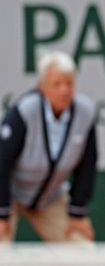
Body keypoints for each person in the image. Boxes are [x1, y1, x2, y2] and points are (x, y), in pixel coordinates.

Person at [0, 51, 98, 242]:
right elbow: (1, 163)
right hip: (7, 196)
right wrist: (2, 214)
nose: (64, 90)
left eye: (69, 84)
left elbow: (88, 165)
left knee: (82, 250)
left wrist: (77, 214)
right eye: (57, 84)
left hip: (51, 198)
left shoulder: (85, 114)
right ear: (42, 86)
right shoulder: (24, 111)